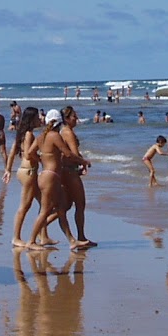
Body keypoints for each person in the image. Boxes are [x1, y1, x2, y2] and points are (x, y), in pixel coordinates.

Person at [27, 109, 80, 250]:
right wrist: (84, 161)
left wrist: (41, 159)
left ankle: (72, 240)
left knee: (61, 208)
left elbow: (29, 153)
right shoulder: (54, 136)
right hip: (51, 176)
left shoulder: (41, 137)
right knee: (45, 210)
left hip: (45, 174)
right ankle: (31, 241)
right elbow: (68, 154)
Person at [5, 106, 42, 247]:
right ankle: (16, 237)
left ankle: (42, 235)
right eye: (37, 117)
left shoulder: (21, 134)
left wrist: (8, 170)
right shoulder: (29, 134)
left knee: (44, 204)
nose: (40, 119)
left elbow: (13, 151)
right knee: (24, 206)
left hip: (24, 170)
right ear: (32, 119)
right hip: (29, 172)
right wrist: (41, 159)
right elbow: (27, 154)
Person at [59, 105, 94, 247]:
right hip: (70, 172)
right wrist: (84, 162)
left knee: (65, 206)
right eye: (74, 116)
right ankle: (81, 236)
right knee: (80, 204)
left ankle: (41, 230)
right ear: (67, 119)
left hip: (65, 170)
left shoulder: (63, 131)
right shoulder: (68, 132)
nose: (76, 118)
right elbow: (73, 153)